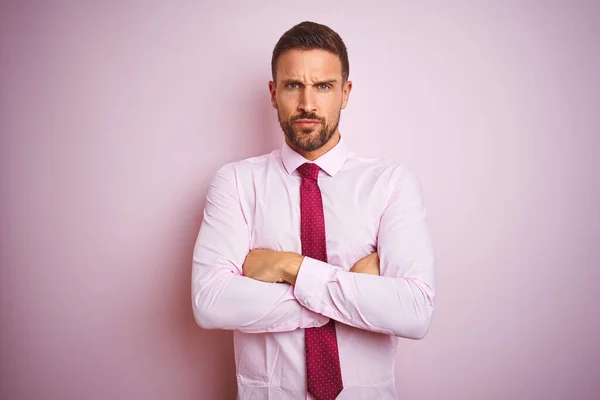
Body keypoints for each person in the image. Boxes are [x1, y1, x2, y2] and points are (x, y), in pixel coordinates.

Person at [191, 20, 435, 400]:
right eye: (293, 85)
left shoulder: (390, 184)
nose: (307, 103)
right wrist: (355, 291)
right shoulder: (237, 183)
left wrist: (290, 268)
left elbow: (415, 313)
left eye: (323, 86)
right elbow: (211, 303)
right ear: (273, 93)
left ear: (345, 92)